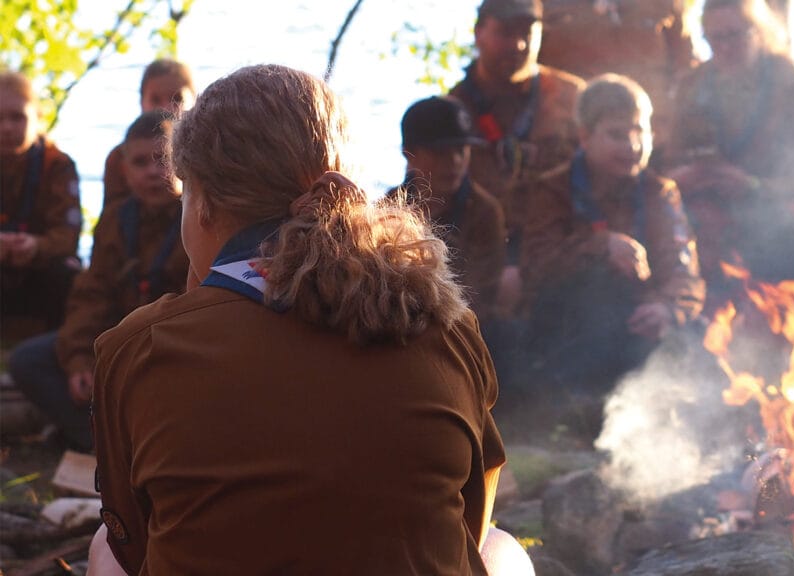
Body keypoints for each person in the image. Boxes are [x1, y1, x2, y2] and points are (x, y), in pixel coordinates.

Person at [88, 65, 509, 575]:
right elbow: (472, 521)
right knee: (503, 550)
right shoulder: (446, 325)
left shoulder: (138, 347)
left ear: (202, 203)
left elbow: (132, 545)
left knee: (101, 549)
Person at [8, 111, 187, 452]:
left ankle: (149, 446)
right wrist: (78, 360)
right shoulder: (116, 219)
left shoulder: (198, 215)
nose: (152, 171)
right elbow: (92, 295)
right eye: (140, 162)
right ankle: (105, 445)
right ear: (125, 170)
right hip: (120, 339)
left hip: (172, 347)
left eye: (162, 159)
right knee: (28, 361)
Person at [520, 73, 704, 404]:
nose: (633, 146)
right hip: (572, 324)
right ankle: (572, 406)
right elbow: (535, 267)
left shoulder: (659, 192)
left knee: (698, 336)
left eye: (640, 132)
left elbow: (683, 271)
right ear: (585, 137)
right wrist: (601, 246)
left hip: (641, 323)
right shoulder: (552, 188)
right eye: (617, 135)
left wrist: (666, 308)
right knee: (598, 289)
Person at [658, 0, 794, 308]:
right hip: (710, 205)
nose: (725, 47)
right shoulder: (691, 86)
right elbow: (673, 161)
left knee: (777, 229)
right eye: (715, 38)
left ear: (758, 31)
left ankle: (779, 324)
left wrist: (752, 185)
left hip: (778, 204)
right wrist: (689, 176)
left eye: (735, 35)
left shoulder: (792, 85)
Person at [449, 0, 585, 319]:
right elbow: (432, 202)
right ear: (478, 33)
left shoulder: (573, 97)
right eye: (505, 33)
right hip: (478, 265)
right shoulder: (452, 111)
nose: (519, 44)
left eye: (528, 32)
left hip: (562, 254)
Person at [392, 96, 506, 324]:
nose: (454, 161)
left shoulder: (485, 212)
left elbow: (477, 296)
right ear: (409, 153)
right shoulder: (387, 211)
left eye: (461, 150)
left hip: (459, 328)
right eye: (441, 152)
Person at [537, 0, 696, 149]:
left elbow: (686, 68)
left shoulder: (666, 4)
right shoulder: (543, 6)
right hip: (574, 140)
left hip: (652, 139)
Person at [0, 70, 82, 342]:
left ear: (36, 118)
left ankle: (55, 351)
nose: (7, 128)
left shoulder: (57, 165)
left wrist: (35, 246)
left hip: (39, 270)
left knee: (68, 273)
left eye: (17, 117)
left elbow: (68, 236)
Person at [101, 58, 195, 208]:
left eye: (177, 99)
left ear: (195, 101)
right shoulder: (119, 157)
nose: (165, 108)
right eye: (155, 100)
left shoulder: (208, 156)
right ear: (141, 102)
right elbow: (110, 222)